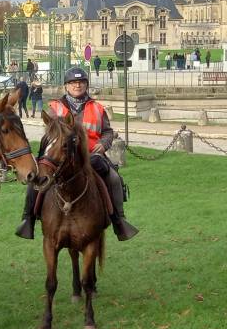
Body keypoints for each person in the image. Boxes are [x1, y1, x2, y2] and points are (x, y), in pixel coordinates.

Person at [16, 65, 138, 241]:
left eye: (81, 82)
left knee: (114, 178)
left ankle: (119, 221)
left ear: (86, 85)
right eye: (73, 82)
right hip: (60, 157)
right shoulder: (55, 107)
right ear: (66, 86)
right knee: (36, 178)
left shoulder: (97, 108)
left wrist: (103, 144)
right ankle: (28, 219)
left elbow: (108, 131)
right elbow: (49, 132)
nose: (77, 85)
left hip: (92, 157)